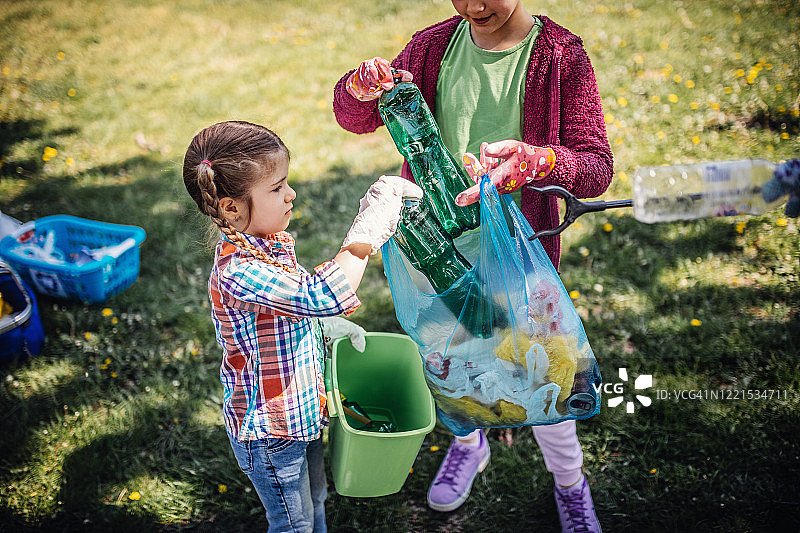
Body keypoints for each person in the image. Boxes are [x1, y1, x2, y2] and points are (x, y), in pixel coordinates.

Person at [333, 1, 612, 531]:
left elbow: (595, 165)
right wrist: (358, 88)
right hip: (434, 251)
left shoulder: (558, 54)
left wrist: (537, 161)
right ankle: (468, 444)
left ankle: (570, 484)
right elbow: (356, 117)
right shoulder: (434, 46)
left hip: (517, 257)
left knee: (544, 371)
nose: (473, 6)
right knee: (450, 362)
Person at [182, 120, 422, 532]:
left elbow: (293, 306)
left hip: (300, 415)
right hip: (272, 432)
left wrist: (320, 326)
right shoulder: (238, 270)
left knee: (315, 501)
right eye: (276, 188)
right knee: (293, 525)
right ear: (231, 208)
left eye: (286, 181)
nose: (291, 193)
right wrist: (366, 232)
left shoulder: (266, 243)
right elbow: (318, 295)